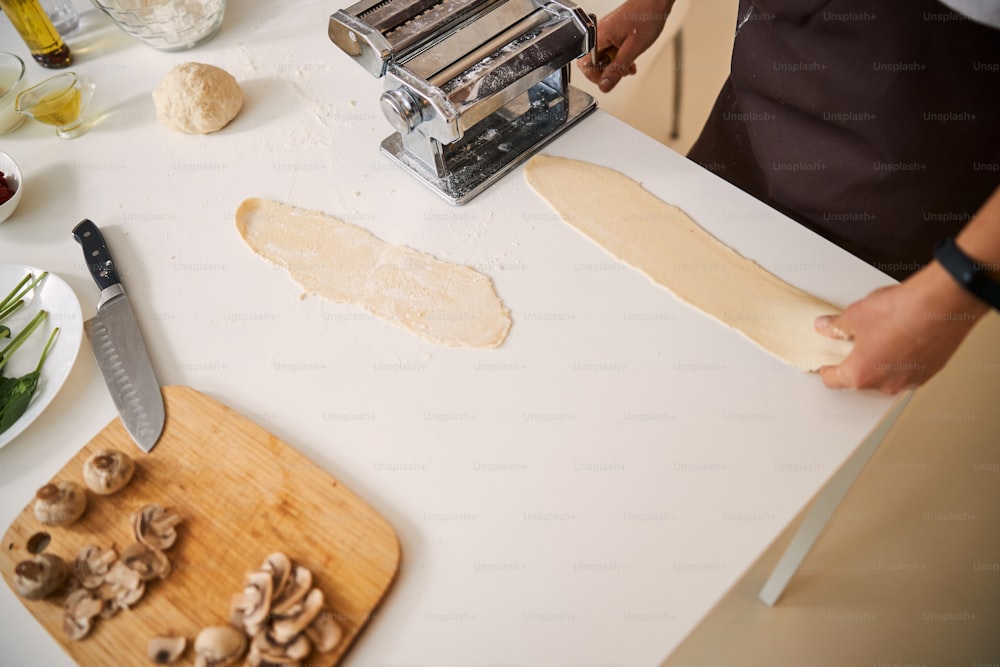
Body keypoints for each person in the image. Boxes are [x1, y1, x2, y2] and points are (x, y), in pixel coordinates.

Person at [578, 0, 1000, 394]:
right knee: (667, 325)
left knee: (778, 391)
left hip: (899, 147)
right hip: (763, 92)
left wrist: (957, 287)